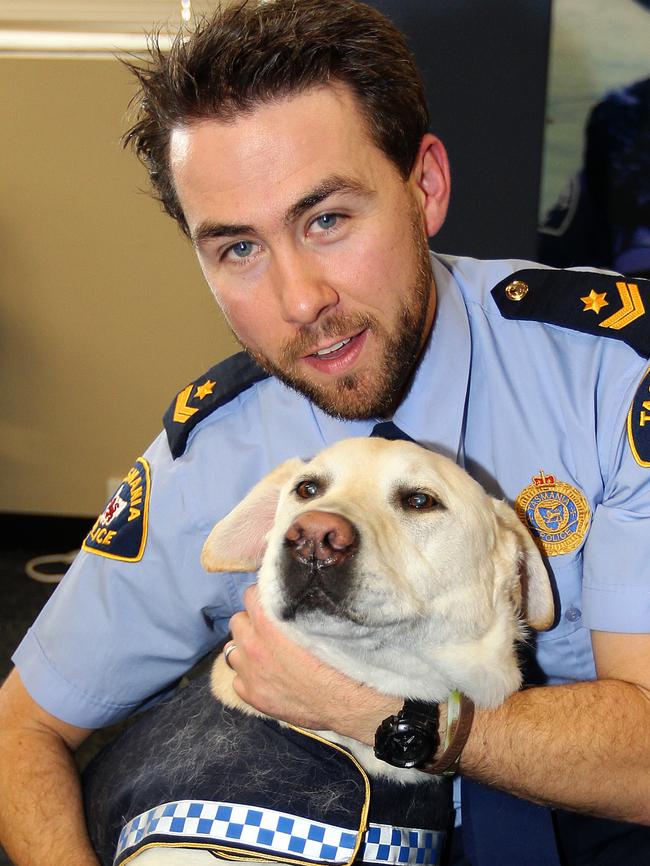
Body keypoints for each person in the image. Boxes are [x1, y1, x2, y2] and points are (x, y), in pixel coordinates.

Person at [1, 1, 649, 864]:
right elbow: (20, 730)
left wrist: (390, 718)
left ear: (425, 187)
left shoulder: (607, 382)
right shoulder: (214, 455)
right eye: (238, 249)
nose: (300, 299)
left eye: (327, 219)